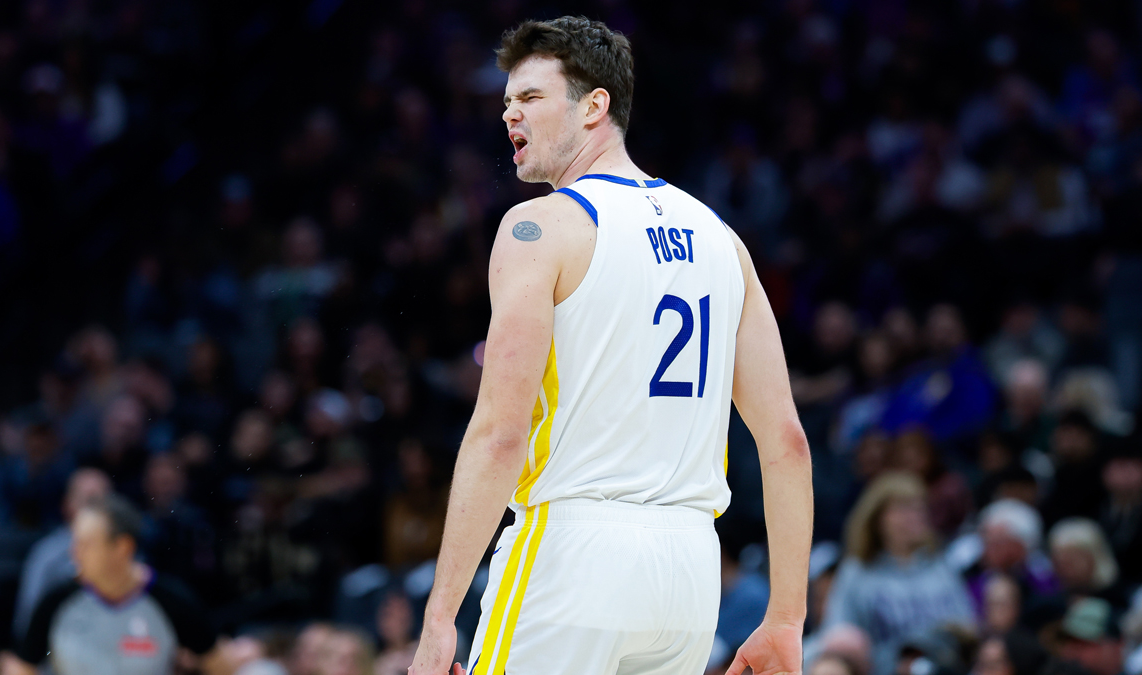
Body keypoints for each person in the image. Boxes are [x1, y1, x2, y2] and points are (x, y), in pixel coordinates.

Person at [409, 16, 813, 675]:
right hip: (687, 574)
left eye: (532, 97)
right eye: (506, 102)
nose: (511, 114)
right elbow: (786, 442)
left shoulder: (539, 228)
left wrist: (438, 619)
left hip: (573, 553)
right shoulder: (722, 240)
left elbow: (500, 435)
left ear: (595, 105)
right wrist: (786, 619)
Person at [0, 495, 219, 675]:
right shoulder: (57, 601)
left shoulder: (172, 601)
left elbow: (220, 664)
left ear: (122, 547)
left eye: (86, 544)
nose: (74, 553)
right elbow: (21, 665)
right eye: (75, 543)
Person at [822, 473, 975, 675]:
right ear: (878, 517)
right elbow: (838, 635)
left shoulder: (939, 565)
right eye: (904, 508)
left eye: (919, 508)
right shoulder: (858, 572)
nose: (914, 516)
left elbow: (969, 624)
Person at [11, 467, 111, 641]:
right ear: (67, 505)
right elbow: (26, 620)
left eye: (104, 500)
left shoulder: (124, 551)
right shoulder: (46, 555)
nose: (98, 509)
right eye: (90, 500)